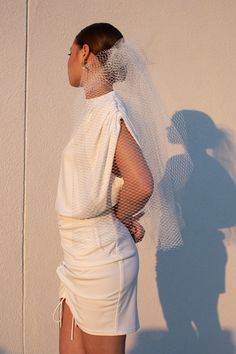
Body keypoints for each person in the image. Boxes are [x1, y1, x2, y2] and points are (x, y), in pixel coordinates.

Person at [52, 23, 154, 354]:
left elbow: (141, 182)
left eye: (70, 52)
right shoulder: (93, 110)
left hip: (102, 262)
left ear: (85, 52)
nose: (67, 61)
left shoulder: (111, 112)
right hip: (76, 259)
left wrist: (120, 218)